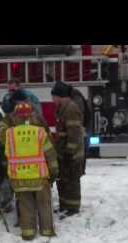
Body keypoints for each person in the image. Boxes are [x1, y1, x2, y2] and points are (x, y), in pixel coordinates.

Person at [0, 102, 59, 241]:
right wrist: (54, 171)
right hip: (40, 176)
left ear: (16, 117)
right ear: (32, 116)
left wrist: (7, 119)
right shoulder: (40, 132)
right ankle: (47, 231)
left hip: (19, 177)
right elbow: (50, 153)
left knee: (26, 205)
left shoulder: (9, 134)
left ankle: (28, 232)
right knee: (44, 204)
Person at [51, 81, 85, 219]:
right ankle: (64, 206)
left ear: (60, 96)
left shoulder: (71, 109)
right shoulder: (62, 108)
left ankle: (73, 208)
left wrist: (69, 152)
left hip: (72, 155)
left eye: (53, 97)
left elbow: (74, 134)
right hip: (63, 152)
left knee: (71, 181)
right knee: (63, 180)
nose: (52, 100)